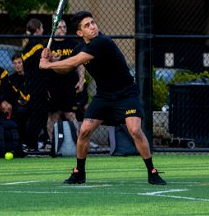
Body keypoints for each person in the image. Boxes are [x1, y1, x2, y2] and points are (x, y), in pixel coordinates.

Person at [39, 11, 166, 185]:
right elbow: (65, 69)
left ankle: (152, 171)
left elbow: (73, 62)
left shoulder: (102, 42)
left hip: (126, 93)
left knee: (135, 130)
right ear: (79, 33)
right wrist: (51, 60)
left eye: (93, 23)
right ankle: (79, 173)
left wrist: (47, 65)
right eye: (87, 25)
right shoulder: (79, 48)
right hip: (104, 97)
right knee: (84, 131)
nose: (93, 27)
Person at [46, 19, 85, 141]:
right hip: (53, 85)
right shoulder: (48, 45)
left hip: (69, 84)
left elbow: (81, 63)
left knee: (71, 114)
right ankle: (54, 145)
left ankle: (78, 143)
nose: (62, 29)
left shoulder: (73, 44)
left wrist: (81, 79)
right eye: (59, 27)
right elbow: (43, 65)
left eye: (64, 27)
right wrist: (53, 61)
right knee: (54, 115)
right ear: (54, 28)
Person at [21, 18, 49, 152]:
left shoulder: (27, 46)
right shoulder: (37, 46)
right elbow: (41, 66)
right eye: (42, 28)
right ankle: (30, 142)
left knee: (35, 114)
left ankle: (31, 142)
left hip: (31, 84)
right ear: (37, 30)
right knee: (39, 115)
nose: (43, 30)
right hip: (38, 85)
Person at [7, 53, 30, 145]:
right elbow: (9, 95)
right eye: (15, 63)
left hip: (31, 102)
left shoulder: (30, 76)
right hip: (17, 104)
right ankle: (20, 141)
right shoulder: (11, 78)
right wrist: (17, 101)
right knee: (20, 111)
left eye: (19, 62)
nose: (17, 65)